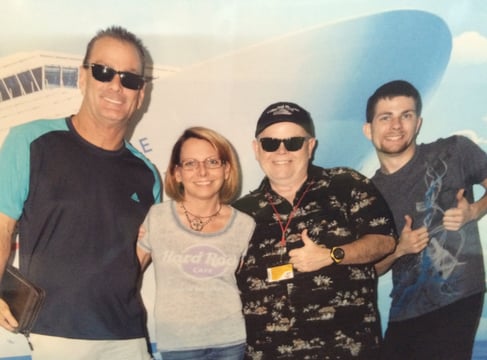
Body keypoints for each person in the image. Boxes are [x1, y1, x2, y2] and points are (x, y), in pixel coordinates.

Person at [0, 26, 160, 360]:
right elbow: (2, 227)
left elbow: (141, 254)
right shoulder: (29, 142)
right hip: (55, 334)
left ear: (140, 95)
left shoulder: (148, 175)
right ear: (82, 78)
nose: (116, 86)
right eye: (104, 72)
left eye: (129, 79)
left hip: (128, 336)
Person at [233, 101, 397, 359]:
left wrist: (332, 255)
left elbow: (384, 241)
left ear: (310, 146)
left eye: (294, 142)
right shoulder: (239, 213)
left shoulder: (346, 184)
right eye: (270, 143)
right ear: (257, 149)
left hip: (349, 351)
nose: (282, 151)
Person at [363, 79, 487, 360]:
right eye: (386, 117)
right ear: (368, 129)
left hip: (456, 297)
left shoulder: (454, 151)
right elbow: (371, 271)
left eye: (405, 115)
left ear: (418, 123)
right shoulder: (367, 195)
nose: (396, 125)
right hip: (404, 309)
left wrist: (475, 211)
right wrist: (400, 250)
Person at [137, 126, 255, 360]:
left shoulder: (245, 225)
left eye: (212, 162)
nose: (202, 172)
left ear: (227, 169)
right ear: (177, 173)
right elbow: (127, 274)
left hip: (231, 342)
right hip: (179, 346)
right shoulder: (157, 218)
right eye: (190, 163)